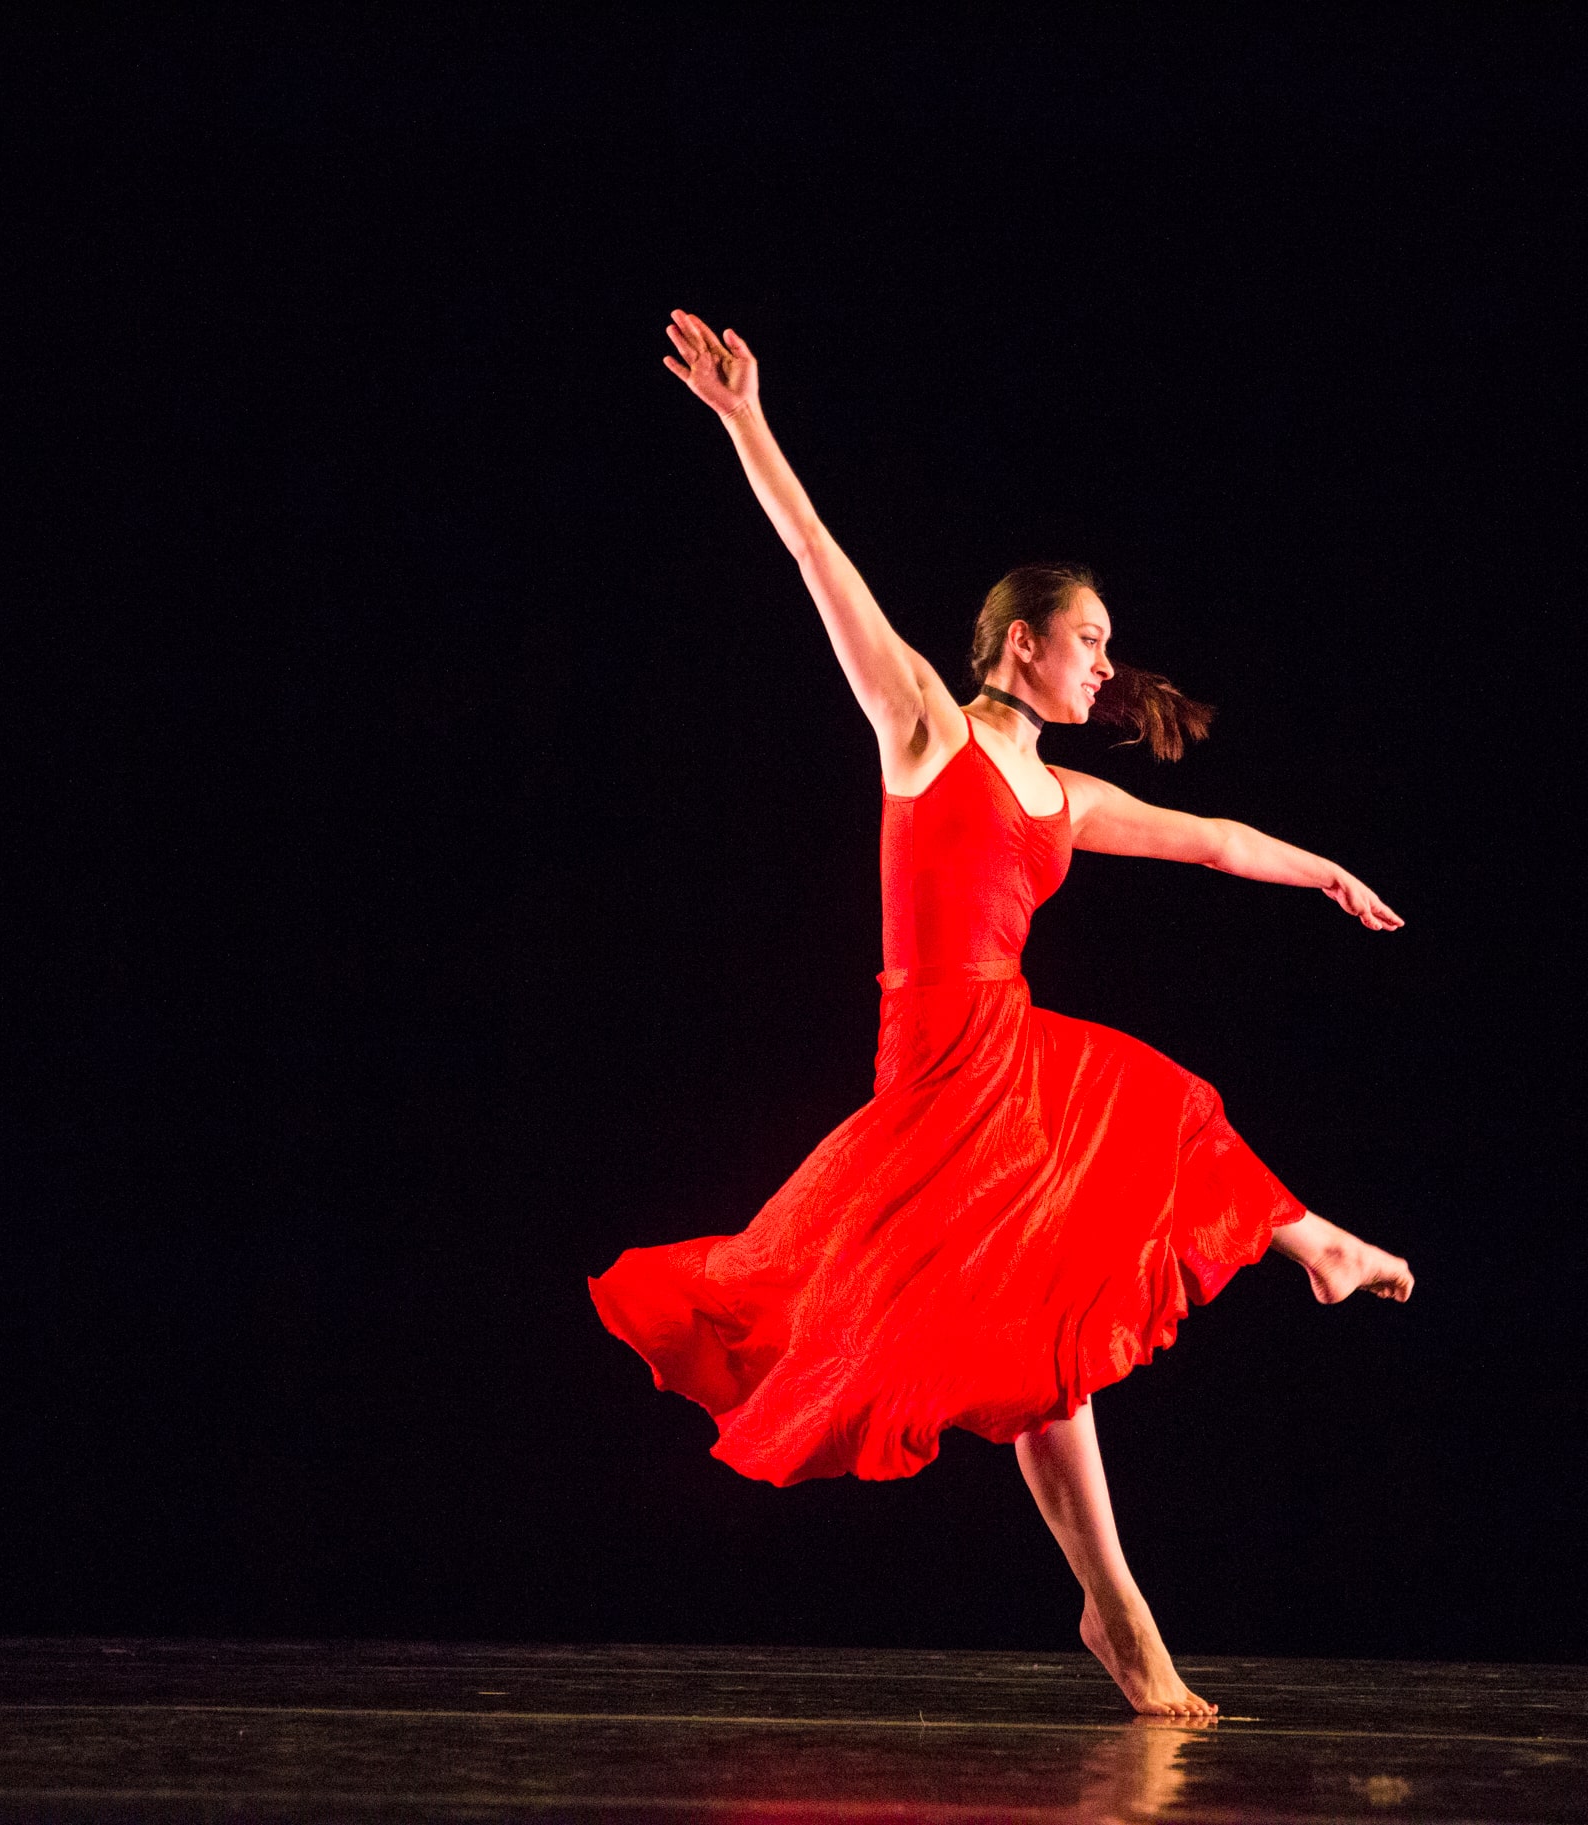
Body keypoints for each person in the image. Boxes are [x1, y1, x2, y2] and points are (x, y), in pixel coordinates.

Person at [590, 310, 1416, 1718]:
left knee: (1063, 1325)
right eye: (1086, 640)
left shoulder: (1064, 797)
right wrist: (746, 422)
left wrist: (1320, 868)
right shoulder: (921, 723)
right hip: (937, 1070)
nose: (1104, 664)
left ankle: (1125, 1612)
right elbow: (813, 560)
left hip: (1013, 1062)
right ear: (1020, 643)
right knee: (1131, 1161)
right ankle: (1283, 1301)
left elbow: (1206, 836)